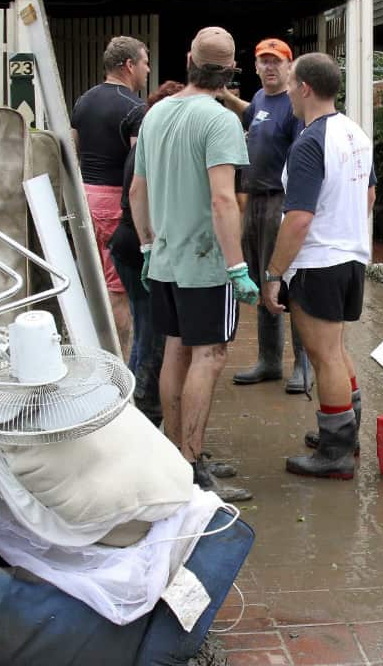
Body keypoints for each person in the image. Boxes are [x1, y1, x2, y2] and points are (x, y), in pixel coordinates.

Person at [129, 26, 257, 502]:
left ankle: (174, 455)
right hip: (206, 263)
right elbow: (225, 199)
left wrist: (146, 247)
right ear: (229, 73)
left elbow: (137, 191)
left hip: (164, 259)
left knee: (176, 349)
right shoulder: (220, 119)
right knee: (211, 355)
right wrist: (237, 266)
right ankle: (191, 465)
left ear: (188, 59)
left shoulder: (157, 112)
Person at [260, 52, 375, 480]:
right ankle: (343, 428)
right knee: (336, 350)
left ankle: (335, 453)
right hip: (350, 257)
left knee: (323, 355)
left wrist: (275, 273)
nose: (287, 91)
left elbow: (300, 218)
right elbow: (369, 196)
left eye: (291, 84)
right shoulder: (355, 133)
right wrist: (346, 229)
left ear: (305, 87)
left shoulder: (309, 142)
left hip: (318, 261)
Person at [219, 37, 313, 394]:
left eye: (277, 61)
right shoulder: (259, 99)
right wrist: (228, 97)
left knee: (286, 280)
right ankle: (269, 360)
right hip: (254, 200)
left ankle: (303, 363)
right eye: (264, 61)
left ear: (289, 67)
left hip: (280, 200)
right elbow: (251, 113)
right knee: (259, 281)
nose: (270, 67)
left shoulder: (294, 106)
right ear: (255, 67)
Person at [108, 80, 184, 429]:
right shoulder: (155, 147)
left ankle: (133, 400)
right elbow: (141, 197)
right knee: (151, 332)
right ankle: (143, 412)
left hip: (127, 242)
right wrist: (153, 246)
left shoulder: (145, 145)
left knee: (143, 327)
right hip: (137, 245)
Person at [71, 36, 151, 363]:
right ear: (129, 65)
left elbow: (74, 152)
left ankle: (96, 358)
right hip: (116, 204)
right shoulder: (133, 107)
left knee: (97, 284)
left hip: (85, 198)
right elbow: (137, 168)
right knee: (119, 292)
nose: (147, 70)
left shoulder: (83, 102)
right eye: (145, 62)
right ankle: (119, 365)